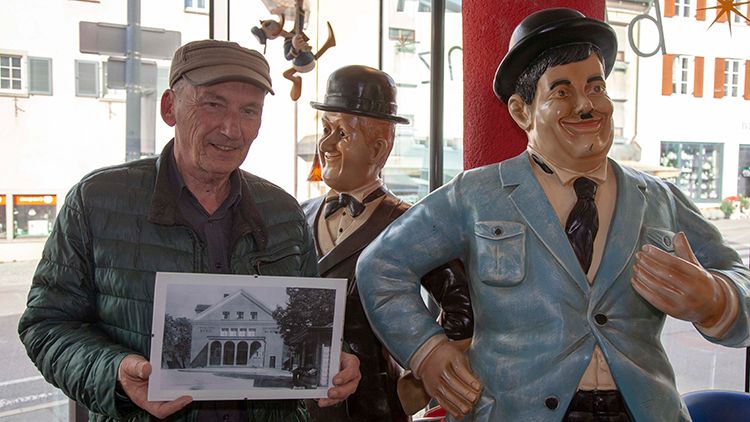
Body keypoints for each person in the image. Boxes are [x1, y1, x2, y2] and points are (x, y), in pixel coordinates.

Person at [356, 8, 750, 422]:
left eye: (596, 88)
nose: (586, 106)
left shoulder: (659, 198)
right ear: (522, 111)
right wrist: (427, 351)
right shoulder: (477, 194)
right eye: (561, 92)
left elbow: (738, 277)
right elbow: (381, 265)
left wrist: (716, 300)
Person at [18, 39, 360, 422]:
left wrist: (335, 357)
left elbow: (307, 324)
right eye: (213, 104)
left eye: (249, 111)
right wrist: (114, 371)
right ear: (170, 107)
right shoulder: (97, 201)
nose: (231, 129)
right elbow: (46, 325)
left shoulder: (283, 212)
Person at [300, 65, 473, 421]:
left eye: (342, 134)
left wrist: (419, 384)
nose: (326, 145)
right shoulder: (299, 215)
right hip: (300, 405)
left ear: (377, 148)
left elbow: (464, 308)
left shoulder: (410, 224)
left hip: (371, 408)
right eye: (326, 129)